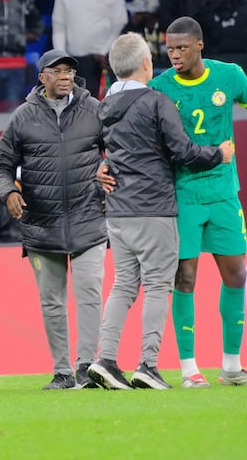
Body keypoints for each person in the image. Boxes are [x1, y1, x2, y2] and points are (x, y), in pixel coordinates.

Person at [89, 32, 232, 390]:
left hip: (118, 211)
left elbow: (92, 148)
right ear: (147, 63)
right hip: (153, 207)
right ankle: (147, 365)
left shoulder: (103, 105)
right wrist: (219, 154)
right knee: (157, 286)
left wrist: (99, 167)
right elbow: (183, 151)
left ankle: (105, 359)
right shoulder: (156, 102)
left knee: (123, 285)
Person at [0, 49, 107, 390]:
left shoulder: (94, 109)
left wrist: (110, 174)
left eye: (70, 70)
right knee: (52, 302)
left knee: (90, 294)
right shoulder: (23, 117)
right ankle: (62, 371)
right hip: (41, 223)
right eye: (57, 71)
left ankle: (87, 366)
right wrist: (9, 193)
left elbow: (117, 151)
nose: (66, 75)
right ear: (42, 77)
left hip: (89, 219)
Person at [51, 0, 127, 99]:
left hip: (101, 63)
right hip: (72, 62)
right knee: (71, 106)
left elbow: (119, 24)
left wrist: (103, 51)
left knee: (99, 106)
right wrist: (61, 57)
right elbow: (59, 25)